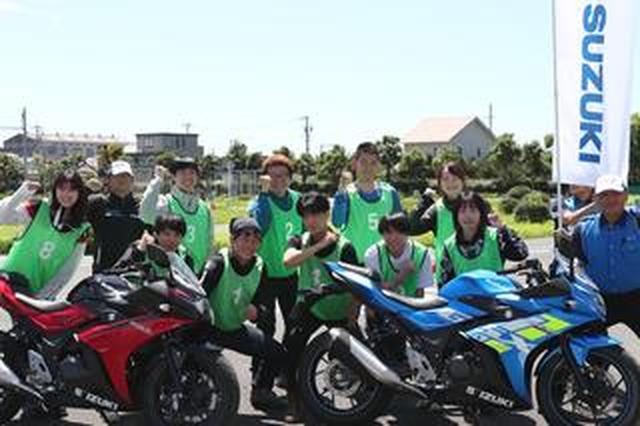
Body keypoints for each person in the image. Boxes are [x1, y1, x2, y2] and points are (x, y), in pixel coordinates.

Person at [282, 192, 359, 420]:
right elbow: (288, 261)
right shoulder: (299, 239)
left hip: (339, 308)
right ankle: (294, 402)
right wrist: (319, 246)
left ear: (327, 214)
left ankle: (364, 398)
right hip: (310, 306)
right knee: (290, 351)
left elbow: (357, 285)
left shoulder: (345, 246)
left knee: (361, 357)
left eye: (316, 214)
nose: (311, 220)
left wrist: (353, 313)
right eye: (306, 216)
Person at [201, 217, 288, 411]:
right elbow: (199, 295)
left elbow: (265, 304)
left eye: (255, 240)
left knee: (276, 352)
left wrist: (257, 312)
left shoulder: (260, 266)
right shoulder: (218, 262)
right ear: (233, 240)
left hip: (233, 328)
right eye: (245, 238)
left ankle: (261, 391)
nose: (250, 245)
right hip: (208, 329)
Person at [248, 154, 303, 397]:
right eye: (273, 176)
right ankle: (260, 384)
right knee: (266, 328)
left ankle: (286, 373)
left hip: (292, 273)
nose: (278, 180)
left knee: (295, 326)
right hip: (265, 275)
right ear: (265, 179)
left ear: (290, 178)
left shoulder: (298, 200)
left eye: (283, 175)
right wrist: (263, 195)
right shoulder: (260, 201)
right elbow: (259, 227)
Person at [0, 170, 90, 300]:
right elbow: (3, 216)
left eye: (72, 189)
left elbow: (67, 271)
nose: (66, 194)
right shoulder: (38, 209)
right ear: (55, 190)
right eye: (62, 188)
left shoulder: (82, 229)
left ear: (80, 193)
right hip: (6, 284)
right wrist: (21, 194)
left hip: (35, 295)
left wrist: (42, 298)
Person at [570, 175, 640, 338]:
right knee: (589, 348)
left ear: (626, 195)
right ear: (595, 199)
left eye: (615, 193)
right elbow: (574, 265)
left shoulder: (637, 221)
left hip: (637, 298)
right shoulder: (582, 230)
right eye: (604, 195)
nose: (610, 199)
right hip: (599, 302)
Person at [141, 157, 213, 276]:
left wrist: (206, 271)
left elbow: (209, 242)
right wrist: (157, 181)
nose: (188, 177)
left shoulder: (204, 207)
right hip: (170, 274)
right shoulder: (166, 202)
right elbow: (145, 214)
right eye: (182, 173)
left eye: (192, 173)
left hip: (197, 275)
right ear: (174, 177)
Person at [332, 142, 403, 263]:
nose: (368, 167)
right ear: (354, 164)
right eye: (363, 162)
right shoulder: (346, 193)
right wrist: (341, 192)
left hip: (383, 264)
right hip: (353, 264)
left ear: (379, 166)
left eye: (373, 163)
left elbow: (400, 230)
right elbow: (337, 223)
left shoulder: (390, 193)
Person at [440, 192, 528, 286]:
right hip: (465, 294)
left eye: (473, 210)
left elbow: (520, 254)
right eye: (462, 211)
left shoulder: (496, 236)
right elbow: (445, 284)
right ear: (456, 215)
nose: (468, 215)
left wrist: (503, 230)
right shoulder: (449, 245)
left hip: (496, 292)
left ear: (481, 214)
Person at [408, 162, 467, 283]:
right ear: (439, 184)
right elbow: (412, 228)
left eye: (455, 179)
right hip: (447, 277)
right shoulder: (436, 210)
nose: (450, 183)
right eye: (445, 179)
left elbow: (494, 236)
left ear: (463, 181)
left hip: (475, 274)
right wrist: (424, 202)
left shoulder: (477, 205)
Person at [86, 160, 147, 272]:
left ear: (132, 180)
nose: (121, 179)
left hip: (134, 272)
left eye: (126, 176)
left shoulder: (142, 205)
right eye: (117, 176)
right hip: (104, 272)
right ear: (109, 180)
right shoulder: (97, 203)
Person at [364, 212, 434, 298]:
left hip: (410, 304)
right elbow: (376, 292)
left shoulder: (422, 254)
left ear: (407, 233)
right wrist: (402, 275)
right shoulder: (372, 254)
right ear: (382, 234)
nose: (394, 238)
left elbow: (420, 293)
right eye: (389, 232)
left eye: (399, 232)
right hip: (381, 304)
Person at [115, 213, 194, 272]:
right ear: (156, 234)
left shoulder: (185, 257)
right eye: (167, 234)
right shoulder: (139, 248)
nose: (172, 239)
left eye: (177, 235)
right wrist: (139, 251)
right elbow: (118, 271)